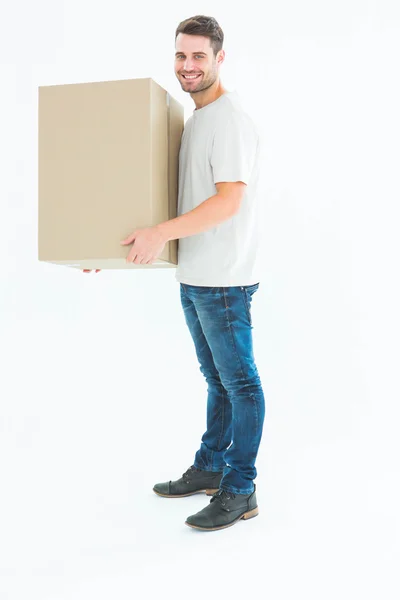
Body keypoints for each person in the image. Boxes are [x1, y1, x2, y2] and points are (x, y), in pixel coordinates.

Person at [85, 14, 266, 532]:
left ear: (219, 59)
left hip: (225, 281)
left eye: (199, 56)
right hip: (196, 275)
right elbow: (174, 199)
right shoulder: (196, 120)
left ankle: (241, 489)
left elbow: (228, 202)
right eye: (181, 55)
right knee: (219, 381)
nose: (188, 66)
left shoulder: (228, 119)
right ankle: (211, 467)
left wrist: (161, 233)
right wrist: (108, 245)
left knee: (241, 385)